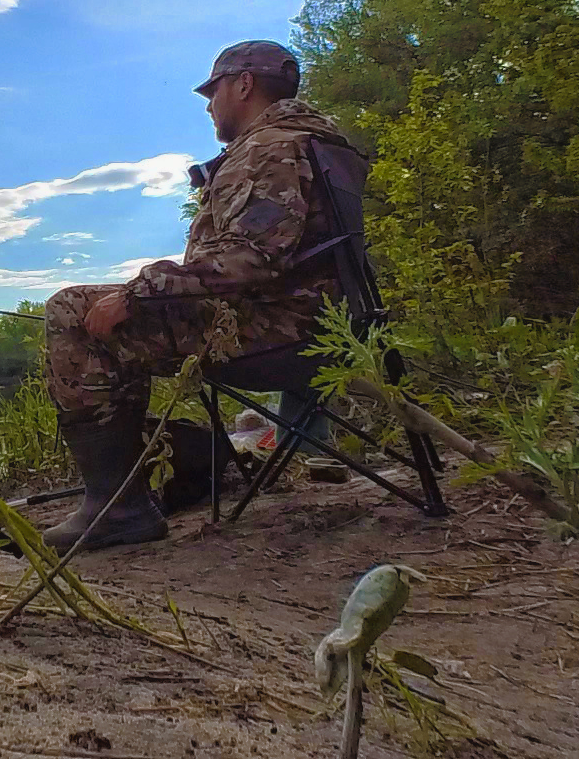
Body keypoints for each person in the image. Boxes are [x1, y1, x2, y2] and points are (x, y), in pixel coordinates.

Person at [40, 40, 354, 551]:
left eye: (214, 91)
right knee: (95, 308)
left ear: (244, 85)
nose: (209, 104)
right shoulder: (320, 142)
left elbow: (250, 256)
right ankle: (178, 462)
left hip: (275, 332)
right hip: (320, 325)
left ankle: (119, 508)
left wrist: (139, 290)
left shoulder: (270, 146)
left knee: (72, 310)